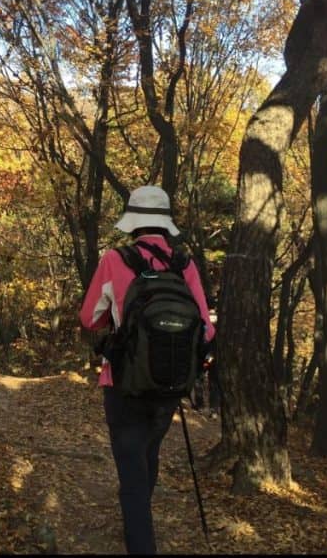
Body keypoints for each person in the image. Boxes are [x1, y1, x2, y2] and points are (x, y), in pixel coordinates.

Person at [79, 185, 215, 555]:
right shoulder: (184, 264)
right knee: (148, 453)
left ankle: (140, 541)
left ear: (133, 223)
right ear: (165, 223)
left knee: (130, 468)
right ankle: (138, 518)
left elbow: (89, 319)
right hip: (170, 382)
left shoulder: (114, 259)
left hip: (122, 381)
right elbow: (206, 326)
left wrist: (118, 317)